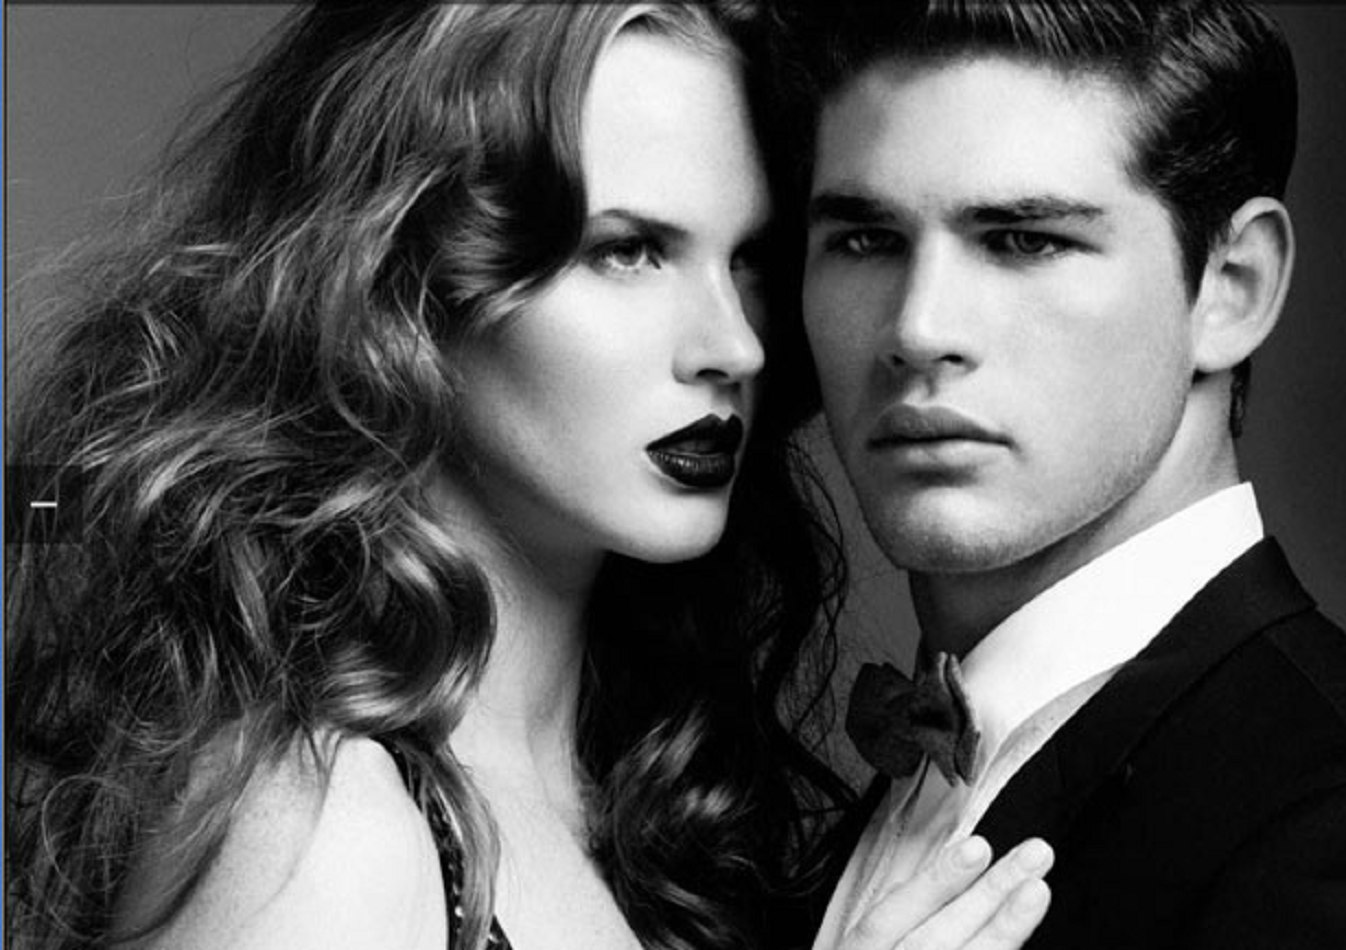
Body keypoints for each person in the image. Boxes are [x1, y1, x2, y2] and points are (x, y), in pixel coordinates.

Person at [4, 4, 1054, 950]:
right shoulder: (328, 829)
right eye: (628, 251)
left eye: (746, 261)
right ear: (409, 284)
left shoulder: (642, 792)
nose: (732, 345)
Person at [785, 1, 1346, 947]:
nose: (918, 329)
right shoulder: (908, 783)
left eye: (1025, 240)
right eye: (864, 241)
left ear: (1233, 287)